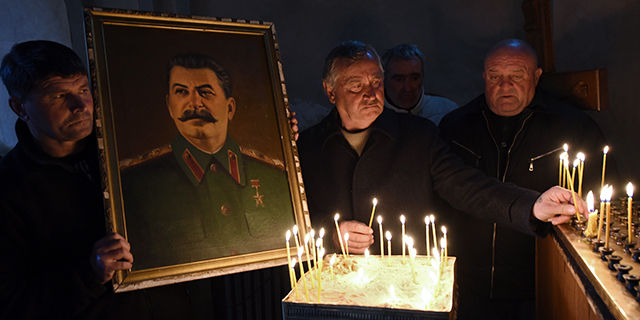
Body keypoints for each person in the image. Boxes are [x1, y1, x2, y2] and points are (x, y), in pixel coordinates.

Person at [297, 41, 587, 264]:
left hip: (407, 289)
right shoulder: (307, 146)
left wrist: (533, 206)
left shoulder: (418, 136)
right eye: (356, 86)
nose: (371, 94)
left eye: (376, 82)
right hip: (335, 289)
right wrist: (332, 234)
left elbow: (470, 188)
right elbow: (290, 218)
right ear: (330, 91)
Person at [0, 40, 198, 319]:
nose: (81, 105)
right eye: (58, 95)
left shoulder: (129, 151)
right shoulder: (10, 188)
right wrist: (89, 274)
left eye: (83, 89)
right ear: (20, 108)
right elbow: (11, 306)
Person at [438, 39, 614, 319]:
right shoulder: (456, 126)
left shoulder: (573, 127)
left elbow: (601, 204)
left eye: (516, 76)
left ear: (536, 76)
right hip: (468, 283)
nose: (504, 86)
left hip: (540, 284)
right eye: (495, 77)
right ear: (484, 77)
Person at [120, 53, 295, 269]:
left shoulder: (276, 177)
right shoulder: (135, 183)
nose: (194, 103)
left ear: (230, 108)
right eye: (181, 92)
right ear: (169, 106)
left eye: (205, 93)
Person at [381, 43, 458, 125]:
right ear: (383, 80)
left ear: (422, 77)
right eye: (399, 80)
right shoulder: (372, 115)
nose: (407, 88)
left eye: (414, 79)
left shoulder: (446, 110)